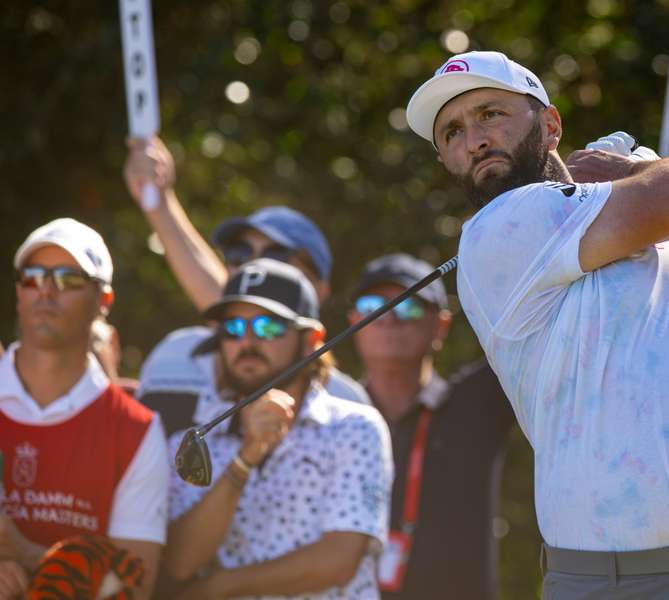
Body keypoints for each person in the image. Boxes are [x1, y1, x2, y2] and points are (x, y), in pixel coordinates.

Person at [404, 50, 669, 598]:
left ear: (550, 126)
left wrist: (657, 201)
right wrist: (639, 174)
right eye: (452, 132)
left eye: (490, 114)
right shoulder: (498, 229)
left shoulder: (659, 248)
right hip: (620, 585)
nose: (474, 139)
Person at [164, 258, 392, 598]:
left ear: (312, 339)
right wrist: (245, 459)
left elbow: (340, 559)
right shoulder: (195, 441)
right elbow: (180, 562)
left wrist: (218, 586)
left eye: (268, 327)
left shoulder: (357, 429)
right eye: (233, 328)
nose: (247, 343)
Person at [123, 137, 368, 436]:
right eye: (239, 254)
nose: (253, 267)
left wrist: (162, 205)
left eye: (276, 255)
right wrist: (158, 200)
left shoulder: (346, 405)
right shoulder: (172, 356)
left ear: (320, 288)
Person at [0, 218, 168, 599]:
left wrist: (25, 552)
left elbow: (134, 588)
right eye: (33, 277)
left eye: (67, 279)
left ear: (104, 301)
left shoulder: (135, 429)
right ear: (18, 292)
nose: (46, 291)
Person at [348, 254, 515, 600]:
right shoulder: (334, 413)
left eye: (408, 307)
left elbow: (532, 320)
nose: (388, 318)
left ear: (440, 326)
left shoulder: (478, 404)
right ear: (354, 322)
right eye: (372, 306)